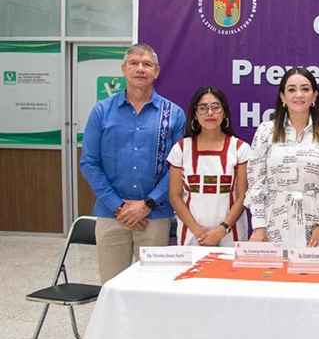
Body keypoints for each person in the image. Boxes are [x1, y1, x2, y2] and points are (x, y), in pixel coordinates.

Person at [80, 43, 185, 283]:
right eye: (134, 63)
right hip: (111, 215)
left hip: (154, 216)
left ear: (156, 71)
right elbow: (89, 163)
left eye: (147, 64)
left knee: (152, 287)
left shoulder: (173, 114)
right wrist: (118, 206)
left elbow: (177, 167)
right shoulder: (102, 111)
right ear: (123, 69)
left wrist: (146, 204)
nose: (140, 69)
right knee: (112, 286)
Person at [245, 68, 319, 248]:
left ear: (314, 96)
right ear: (283, 97)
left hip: (317, 226)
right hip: (274, 223)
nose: (299, 95)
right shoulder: (266, 131)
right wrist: (259, 226)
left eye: (305, 89)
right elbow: (256, 182)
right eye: (292, 89)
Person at [167, 86, 249, 247]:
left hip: (231, 236)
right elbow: (175, 196)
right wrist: (198, 232)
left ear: (224, 112)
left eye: (216, 107)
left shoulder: (240, 148)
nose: (210, 113)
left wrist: (221, 231)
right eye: (203, 108)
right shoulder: (181, 149)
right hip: (192, 236)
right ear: (195, 114)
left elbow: (242, 196)